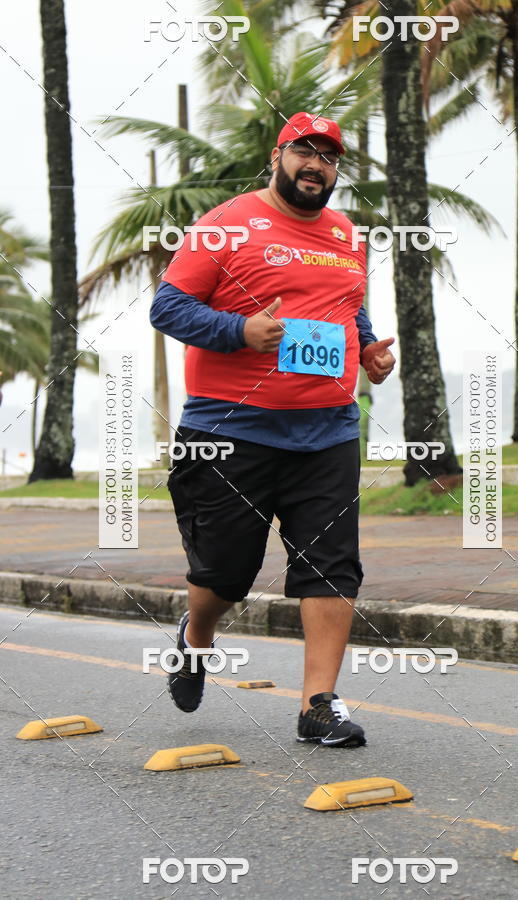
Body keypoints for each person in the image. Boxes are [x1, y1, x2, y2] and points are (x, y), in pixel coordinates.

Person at [150, 111, 396, 747]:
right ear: (277, 156)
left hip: (328, 431)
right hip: (231, 428)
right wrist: (239, 330)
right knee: (225, 572)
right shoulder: (226, 224)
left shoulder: (345, 233)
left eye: (329, 158)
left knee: (332, 565)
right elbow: (167, 306)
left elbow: (344, 305)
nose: (316, 166)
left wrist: (368, 348)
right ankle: (196, 637)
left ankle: (319, 704)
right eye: (304, 152)